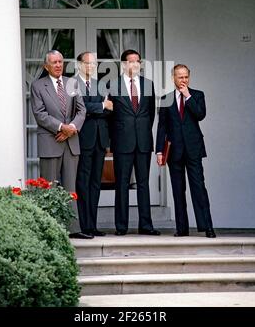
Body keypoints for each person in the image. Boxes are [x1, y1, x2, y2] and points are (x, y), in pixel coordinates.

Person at [156, 64, 216, 238]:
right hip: (174, 151)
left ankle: (207, 227)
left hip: (193, 149)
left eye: (186, 77)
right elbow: (162, 127)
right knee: (177, 189)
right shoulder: (166, 98)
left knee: (198, 188)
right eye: (180, 77)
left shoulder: (197, 95)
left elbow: (200, 115)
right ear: (173, 77)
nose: (183, 80)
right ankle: (182, 228)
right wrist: (159, 151)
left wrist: (187, 96)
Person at [30, 50, 86, 236]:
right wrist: (62, 127)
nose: (58, 65)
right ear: (46, 66)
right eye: (54, 62)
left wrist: (71, 128)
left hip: (71, 143)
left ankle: (73, 229)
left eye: (60, 62)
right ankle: (51, 231)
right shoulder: (38, 86)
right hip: (50, 142)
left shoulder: (72, 83)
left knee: (71, 188)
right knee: (49, 188)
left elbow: (81, 111)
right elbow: (40, 114)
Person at [110, 49, 160, 236]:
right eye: (131, 61)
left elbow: (150, 114)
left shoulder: (149, 85)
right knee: (122, 184)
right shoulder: (112, 85)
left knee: (143, 184)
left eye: (138, 61)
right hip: (122, 142)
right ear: (124, 64)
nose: (135, 64)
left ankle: (146, 225)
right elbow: (109, 116)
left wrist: (143, 132)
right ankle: (121, 226)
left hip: (143, 142)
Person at [75, 51, 113, 239]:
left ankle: (93, 225)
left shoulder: (100, 84)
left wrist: (98, 108)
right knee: (83, 182)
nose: (91, 67)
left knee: (95, 183)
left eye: (94, 64)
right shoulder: (72, 84)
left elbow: (110, 109)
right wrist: (100, 106)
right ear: (79, 65)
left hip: (100, 139)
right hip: (83, 139)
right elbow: (79, 108)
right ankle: (83, 225)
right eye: (87, 63)